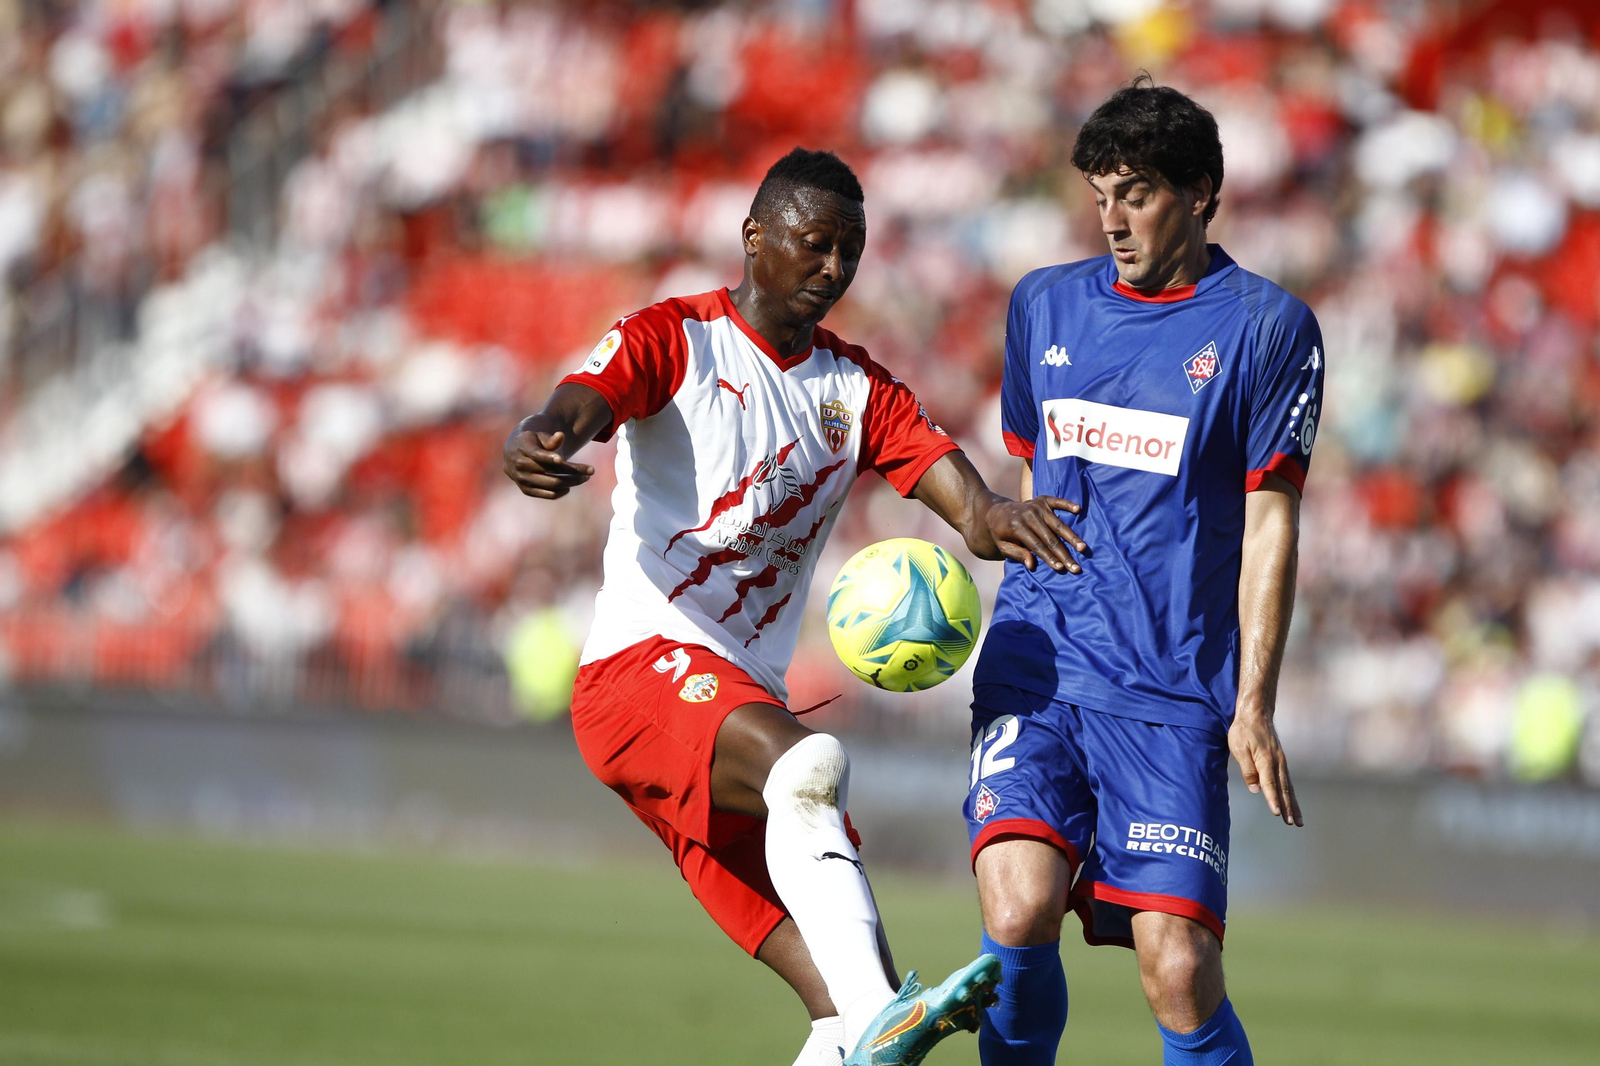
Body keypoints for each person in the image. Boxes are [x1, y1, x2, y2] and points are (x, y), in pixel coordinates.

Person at [502, 148, 1089, 1066]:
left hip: (735, 712)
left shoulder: (853, 389)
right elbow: (585, 398)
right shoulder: (678, 337)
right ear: (754, 238)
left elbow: (958, 496)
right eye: (817, 245)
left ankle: (860, 1027)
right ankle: (879, 1018)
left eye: (850, 253)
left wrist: (992, 514)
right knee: (810, 768)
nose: (834, 270)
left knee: (835, 1006)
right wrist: (542, 433)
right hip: (637, 675)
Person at [964, 77, 1322, 1065]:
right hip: (1039, 669)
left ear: (1202, 191)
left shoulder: (1266, 327)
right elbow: (1031, 472)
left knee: (1175, 968)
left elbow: (1267, 519)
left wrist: (1253, 702)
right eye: (1100, 194)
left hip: (1171, 690)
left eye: (1138, 193)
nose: (1113, 219)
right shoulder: (1041, 305)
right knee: (1019, 904)